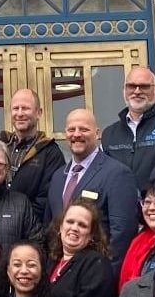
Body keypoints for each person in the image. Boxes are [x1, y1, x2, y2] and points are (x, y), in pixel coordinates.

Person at [44, 108, 140, 261]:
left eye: (84, 129)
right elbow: (50, 229)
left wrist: (108, 276)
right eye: (71, 129)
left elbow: (122, 233)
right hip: (60, 274)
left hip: (97, 272)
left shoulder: (117, 174)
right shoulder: (57, 177)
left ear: (97, 133)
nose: (76, 134)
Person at [46, 199, 116, 297]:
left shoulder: (98, 264)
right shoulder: (51, 262)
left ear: (91, 235)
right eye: (70, 222)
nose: (74, 228)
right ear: (60, 227)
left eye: (82, 225)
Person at [100, 67, 155, 190]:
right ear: (124, 90)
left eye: (144, 86)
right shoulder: (109, 134)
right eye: (131, 86)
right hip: (120, 207)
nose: (137, 91)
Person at [0, 88, 65, 219]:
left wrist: (17, 220)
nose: (19, 113)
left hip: (30, 232)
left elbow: (46, 200)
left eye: (25, 108)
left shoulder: (51, 153)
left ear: (39, 113)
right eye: (15, 108)